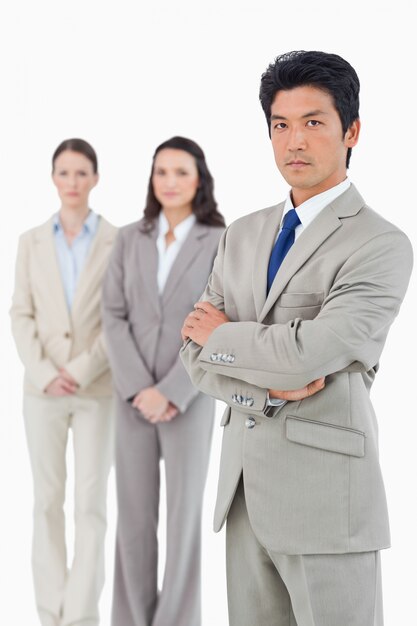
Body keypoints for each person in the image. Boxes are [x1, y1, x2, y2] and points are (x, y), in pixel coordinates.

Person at [180, 51, 413, 626]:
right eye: (280, 126)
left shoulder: (380, 244)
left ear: (351, 130)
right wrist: (265, 391)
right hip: (243, 499)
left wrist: (225, 336)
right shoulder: (242, 234)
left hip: (327, 503)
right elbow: (193, 354)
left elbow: (309, 354)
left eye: (313, 123)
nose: (294, 143)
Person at [101, 136, 225, 626]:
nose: (170, 182)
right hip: (131, 398)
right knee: (132, 519)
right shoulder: (130, 238)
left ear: (200, 179)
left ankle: (176, 620)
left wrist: (173, 391)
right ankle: (131, 619)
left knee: (182, 519)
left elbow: (223, 319)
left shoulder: (220, 239)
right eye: (161, 172)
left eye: (181, 172)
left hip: (189, 397)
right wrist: (137, 388)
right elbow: (113, 315)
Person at [10, 138, 117, 626]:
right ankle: (49, 612)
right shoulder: (30, 241)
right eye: (64, 173)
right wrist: (46, 372)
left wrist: (78, 370)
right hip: (42, 390)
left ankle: (79, 615)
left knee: (90, 505)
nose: (72, 182)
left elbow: (119, 319)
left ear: (95, 178)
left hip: (95, 389)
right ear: (53, 179)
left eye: (81, 173)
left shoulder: (117, 241)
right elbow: (20, 313)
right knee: (47, 501)